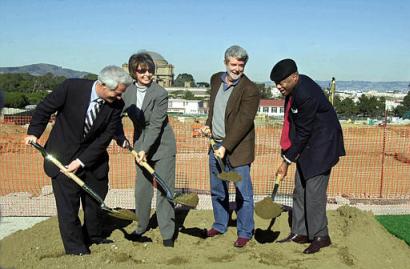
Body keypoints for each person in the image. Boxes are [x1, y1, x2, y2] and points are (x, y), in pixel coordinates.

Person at [24, 66, 133, 255]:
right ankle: (75, 248)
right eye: (117, 93)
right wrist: (34, 133)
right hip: (62, 157)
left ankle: (94, 236)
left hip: (94, 159)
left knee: (95, 202)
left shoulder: (116, 105)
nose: (119, 98)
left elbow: (105, 137)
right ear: (102, 85)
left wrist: (81, 161)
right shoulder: (71, 88)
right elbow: (43, 109)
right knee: (69, 207)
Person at [271, 59, 345, 254]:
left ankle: (321, 236)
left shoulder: (305, 95)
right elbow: (298, 129)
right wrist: (289, 152)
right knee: (300, 189)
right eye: (276, 83)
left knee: (313, 193)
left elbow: (304, 132)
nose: (278, 86)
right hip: (308, 145)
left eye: (282, 82)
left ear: (294, 77)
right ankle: (300, 232)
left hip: (322, 146)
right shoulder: (295, 88)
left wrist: (286, 161)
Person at [201, 45, 260, 248]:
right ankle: (220, 224)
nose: (236, 69)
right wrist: (208, 126)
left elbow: (243, 122)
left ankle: (245, 231)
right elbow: (213, 109)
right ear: (226, 62)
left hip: (237, 150)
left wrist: (225, 146)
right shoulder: (216, 79)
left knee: (243, 192)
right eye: (233, 64)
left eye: (241, 65)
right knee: (218, 189)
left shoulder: (250, 90)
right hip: (214, 145)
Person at [115, 52, 177, 247]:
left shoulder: (160, 93)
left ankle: (168, 232)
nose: (147, 74)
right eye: (142, 70)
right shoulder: (127, 92)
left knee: (164, 189)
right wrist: (119, 137)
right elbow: (114, 115)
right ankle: (141, 226)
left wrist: (145, 150)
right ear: (134, 72)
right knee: (142, 190)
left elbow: (156, 125)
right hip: (140, 145)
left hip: (162, 146)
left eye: (150, 70)